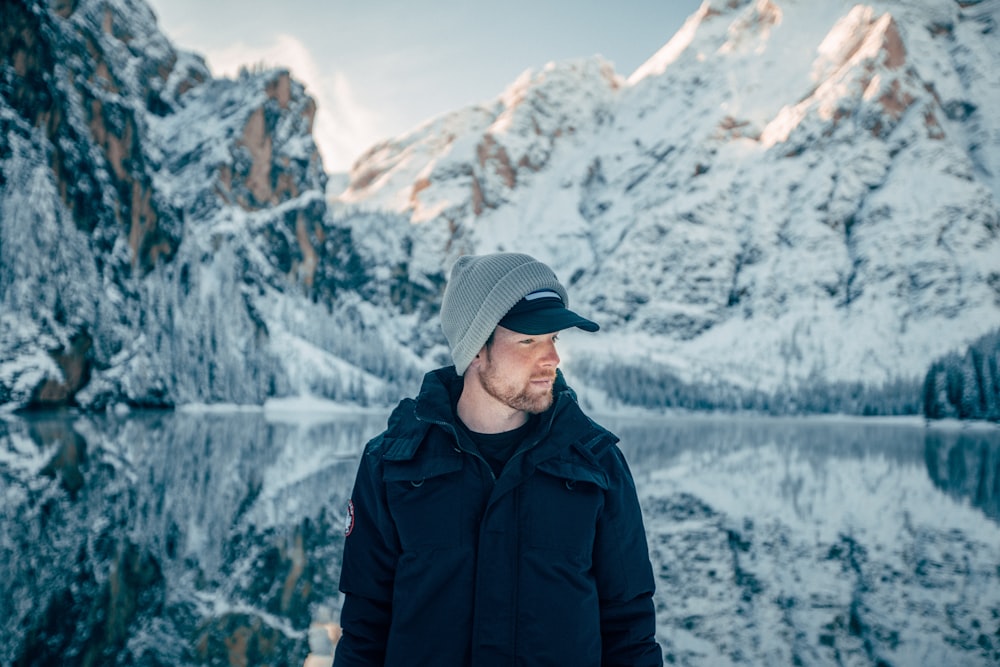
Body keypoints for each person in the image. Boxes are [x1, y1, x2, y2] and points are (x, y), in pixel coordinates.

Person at [333, 252, 663, 666]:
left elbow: (630, 630)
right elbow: (365, 629)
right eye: (528, 340)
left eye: (553, 340)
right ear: (475, 349)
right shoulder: (390, 465)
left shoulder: (597, 463)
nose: (552, 360)